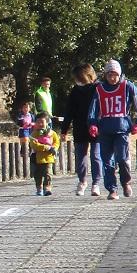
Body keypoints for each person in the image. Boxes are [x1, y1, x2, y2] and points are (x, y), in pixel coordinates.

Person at [88, 59, 137, 200]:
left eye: (115, 74)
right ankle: (112, 189)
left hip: (122, 129)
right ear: (105, 75)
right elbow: (93, 109)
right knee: (107, 162)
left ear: (119, 74)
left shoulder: (128, 86)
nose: (112, 78)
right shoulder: (99, 89)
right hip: (105, 130)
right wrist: (92, 124)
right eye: (109, 75)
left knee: (122, 158)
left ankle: (126, 182)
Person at [60, 63, 102, 197]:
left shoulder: (99, 88)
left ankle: (96, 183)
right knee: (80, 156)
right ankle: (82, 181)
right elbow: (69, 111)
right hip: (79, 127)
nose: (77, 81)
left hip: (96, 127)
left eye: (79, 78)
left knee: (96, 156)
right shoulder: (75, 90)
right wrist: (64, 130)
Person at [28, 113, 60, 196]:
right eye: (38, 122)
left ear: (47, 122)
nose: (40, 124)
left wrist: (54, 148)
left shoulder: (52, 133)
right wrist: (46, 147)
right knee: (37, 174)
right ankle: (39, 188)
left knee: (48, 173)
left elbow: (56, 142)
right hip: (37, 159)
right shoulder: (34, 134)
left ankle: (47, 188)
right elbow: (34, 145)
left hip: (48, 158)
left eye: (42, 122)